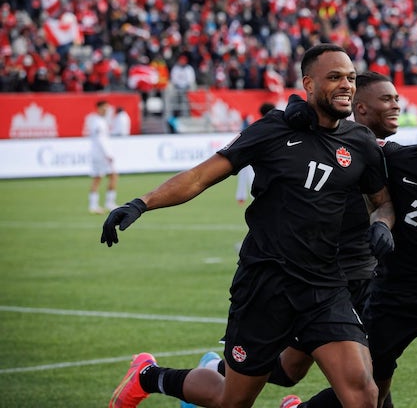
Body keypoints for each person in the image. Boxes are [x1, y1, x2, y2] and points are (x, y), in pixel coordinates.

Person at [101, 43, 395, 408]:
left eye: (350, 77)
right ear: (308, 83)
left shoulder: (361, 142)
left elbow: (383, 203)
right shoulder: (273, 129)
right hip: (265, 284)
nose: (346, 85)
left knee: (363, 394)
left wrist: (382, 225)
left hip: (325, 284)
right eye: (334, 77)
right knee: (232, 401)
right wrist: (141, 203)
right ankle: (148, 376)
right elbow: (200, 176)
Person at [187, 71, 401, 408]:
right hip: (313, 279)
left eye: (397, 99)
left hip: (358, 280)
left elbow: (390, 202)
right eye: (387, 100)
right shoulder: (310, 142)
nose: (396, 106)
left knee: (361, 386)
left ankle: (227, 374)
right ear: (359, 108)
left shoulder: (394, 156)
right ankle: (187, 373)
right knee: (290, 373)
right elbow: (205, 175)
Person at [284, 102, 417, 408]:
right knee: (372, 394)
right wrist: (303, 114)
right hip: (390, 297)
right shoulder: (398, 158)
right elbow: (351, 141)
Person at [234, 102, 275, 205]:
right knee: (255, 175)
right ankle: (251, 197)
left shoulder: (256, 124)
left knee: (245, 174)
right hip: (261, 155)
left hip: (247, 152)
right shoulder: (274, 125)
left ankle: (241, 197)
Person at [88, 100, 118, 214]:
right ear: (99, 108)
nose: (107, 110)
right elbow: (101, 140)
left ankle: (97, 205)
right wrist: (108, 154)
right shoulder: (98, 122)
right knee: (106, 177)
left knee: (104, 177)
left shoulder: (100, 121)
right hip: (101, 155)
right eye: (105, 108)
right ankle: (105, 203)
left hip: (99, 154)